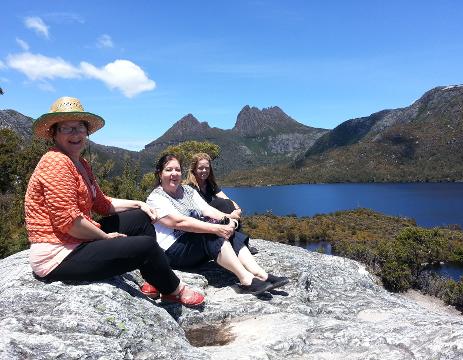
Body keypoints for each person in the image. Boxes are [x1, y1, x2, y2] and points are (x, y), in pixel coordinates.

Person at [24, 97, 204, 306]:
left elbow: (102, 204)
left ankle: (155, 278)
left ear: (87, 132)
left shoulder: (80, 163)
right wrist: (105, 237)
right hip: (57, 254)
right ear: (54, 133)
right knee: (145, 246)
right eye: (67, 128)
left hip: (76, 240)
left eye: (80, 127)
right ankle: (174, 290)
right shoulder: (55, 162)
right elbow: (70, 223)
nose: (75, 134)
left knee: (140, 218)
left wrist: (139, 204)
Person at [145, 154, 288, 296]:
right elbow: (178, 222)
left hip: (193, 245)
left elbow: (207, 209)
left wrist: (227, 220)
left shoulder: (187, 191)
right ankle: (246, 279)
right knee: (211, 232)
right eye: (169, 170)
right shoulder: (155, 198)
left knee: (229, 232)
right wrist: (216, 228)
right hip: (174, 252)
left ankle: (261, 274)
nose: (174, 174)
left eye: (177, 170)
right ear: (159, 173)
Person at [185, 152, 259, 254]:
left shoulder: (210, 184)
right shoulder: (190, 187)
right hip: (202, 218)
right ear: (194, 169)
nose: (204, 171)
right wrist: (230, 215)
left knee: (227, 202)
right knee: (221, 203)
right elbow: (204, 209)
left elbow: (226, 198)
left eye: (207, 168)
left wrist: (237, 209)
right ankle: (242, 244)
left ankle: (239, 243)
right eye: (200, 168)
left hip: (215, 216)